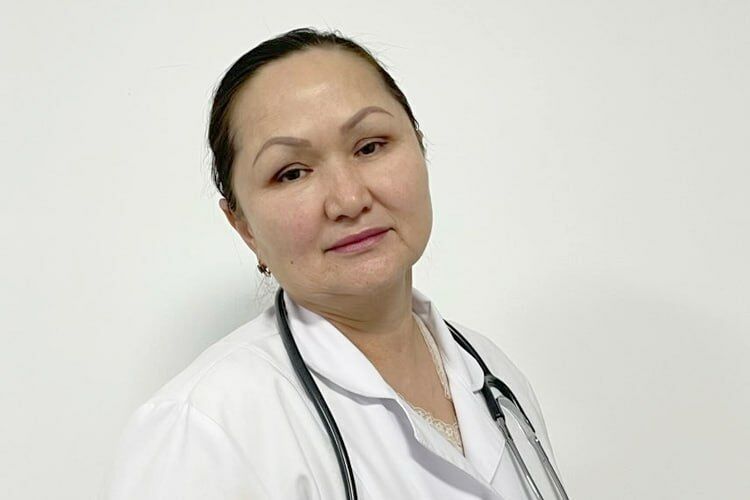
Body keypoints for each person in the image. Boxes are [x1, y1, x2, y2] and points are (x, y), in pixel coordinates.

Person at [103, 27, 565, 499]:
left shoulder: (493, 374)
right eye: (292, 173)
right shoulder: (205, 429)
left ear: (420, 145)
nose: (348, 199)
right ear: (243, 226)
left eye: (370, 146)